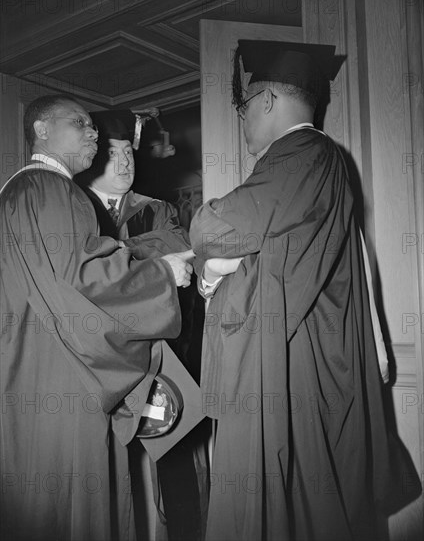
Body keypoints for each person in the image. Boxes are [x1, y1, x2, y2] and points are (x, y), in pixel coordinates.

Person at [189, 41, 396, 541]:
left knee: (282, 505)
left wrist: (210, 267)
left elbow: (214, 230)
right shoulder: (323, 159)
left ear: (265, 101)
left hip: (291, 366)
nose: (242, 124)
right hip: (307, 355)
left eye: (242, 110)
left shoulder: (300, 154)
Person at [0, 94, 193, 541]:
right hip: (61, 376)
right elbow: (85, 282)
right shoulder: (51, 188)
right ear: (42, 131)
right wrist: (163, 273)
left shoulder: (13, 192)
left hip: (23, 369)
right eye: (80, 123)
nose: (92, 133)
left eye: (94, 126)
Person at [74, 110, 204, 541]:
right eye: (113, 153)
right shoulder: (74, 210)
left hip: (159, 357)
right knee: (109, 471)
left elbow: (179, 249)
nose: (126, 162)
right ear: (92, 156)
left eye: (129, 151)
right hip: (95, 364)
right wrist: (140, 259)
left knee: (173, 457)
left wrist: (117, 257)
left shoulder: (155, 209)